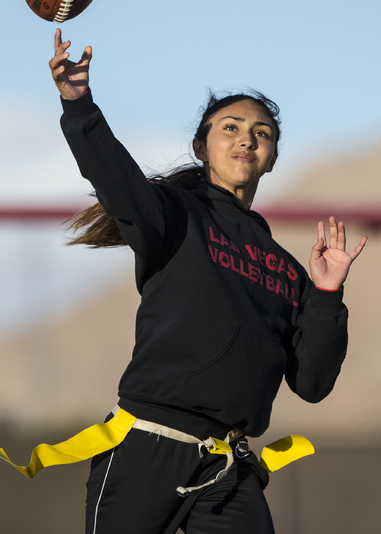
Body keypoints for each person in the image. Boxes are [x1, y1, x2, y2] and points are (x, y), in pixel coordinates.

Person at [49, 28, 367, 534]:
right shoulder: (176, 215)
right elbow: (117, 178)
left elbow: (312, 383)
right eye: (232, 127)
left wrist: (327, 295)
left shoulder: (287, 269)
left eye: (262, 133)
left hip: (228, 466)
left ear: (273, 158)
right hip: (148, 446)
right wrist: (78, 104)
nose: (247, 138)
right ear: (201, 146)